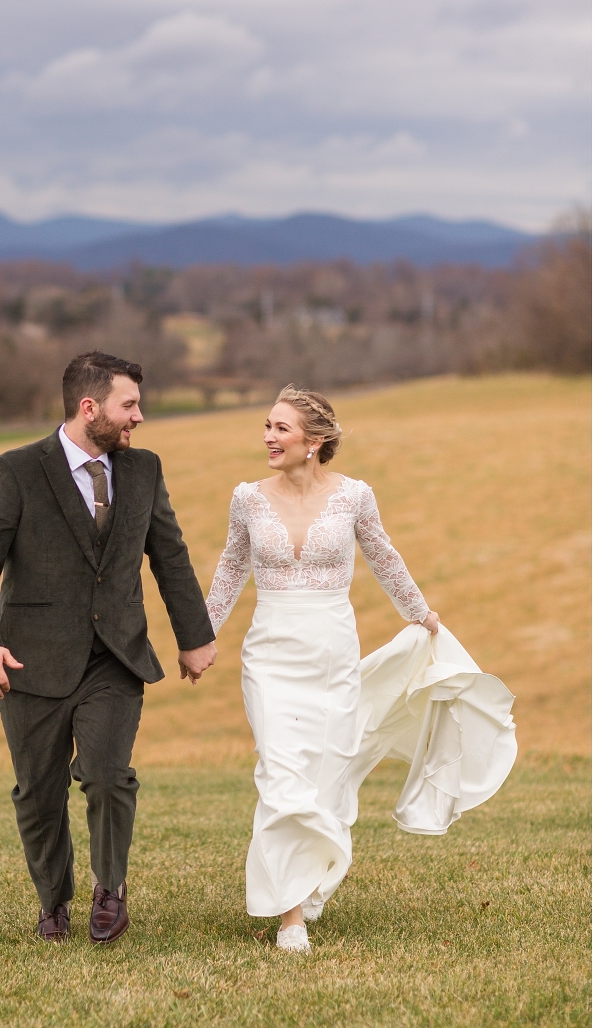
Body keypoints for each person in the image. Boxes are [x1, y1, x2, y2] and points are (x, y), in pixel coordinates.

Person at [205, 385, 516, 953]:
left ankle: (309, 873)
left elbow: (384, 557)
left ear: (314, 441)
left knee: (325, 773)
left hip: (332, 652)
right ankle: (290, 917)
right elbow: (230, 567)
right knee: (280, 772)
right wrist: (201, 635)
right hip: (270, 653)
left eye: (280, 428)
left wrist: (420, 614)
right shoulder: (247, 498)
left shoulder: (354, 496)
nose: (268, 437)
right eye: (266, 426)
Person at [0, 351, 217, 944]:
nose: (139, 417)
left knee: (107, 774)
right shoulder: (16, 471)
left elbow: (169, 555)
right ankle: (54, 903)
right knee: (38, 793)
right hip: (29, 660)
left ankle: (110, 888)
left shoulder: (144, 469)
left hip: (116, 656)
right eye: (130, 405)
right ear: (89, 407)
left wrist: (194, 636)